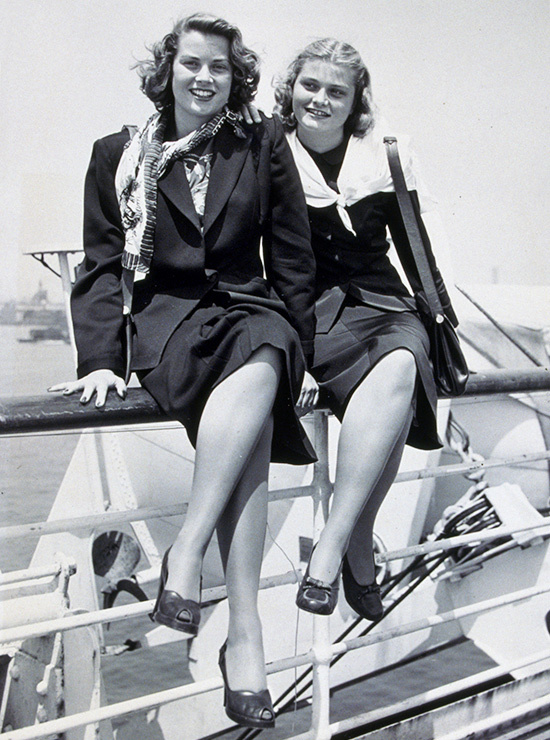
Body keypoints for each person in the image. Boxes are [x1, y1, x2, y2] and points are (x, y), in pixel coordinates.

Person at [49, 13, 319, 728]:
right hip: (166, 323)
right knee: (254, 412)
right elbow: (101, 267)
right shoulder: (118, 154)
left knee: (267, 351)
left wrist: (308, 356)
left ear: (236, 77)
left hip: (247, 308)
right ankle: (244, 635)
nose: (205, 77)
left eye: (219, 67)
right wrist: (100, 360)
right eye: (192, 64)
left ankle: (188, 554)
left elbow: (292, 257)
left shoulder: (261, 142)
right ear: (167, 72)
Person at [273, 39, 459, 619]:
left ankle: (331, 546)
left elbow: (414, 245)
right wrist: (288, 346)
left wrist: (439, 317)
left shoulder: (385, 156)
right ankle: (357, 542)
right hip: (307, 308)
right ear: (290, 88)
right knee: (389, 406)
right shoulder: (269, 150)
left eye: (337, 91)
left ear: (356, 102)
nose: (320, 100)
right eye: (310, 86)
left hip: (381, 302)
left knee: (401, 361)